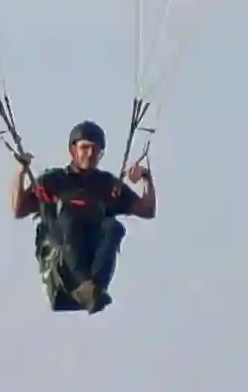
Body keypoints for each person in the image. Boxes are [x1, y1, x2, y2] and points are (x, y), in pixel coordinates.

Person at [11, 122, 157, 312]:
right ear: (73, 151)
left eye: (95, 149)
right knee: (71, 215)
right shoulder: (53, 181)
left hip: (91, 258)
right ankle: (84, 286)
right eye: (85, 148)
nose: (90, 154)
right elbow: (18, 209)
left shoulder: (106, 184)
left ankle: (94, 289)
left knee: (114, 227)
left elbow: (147, 210)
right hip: (61, 260)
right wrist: (20, 172)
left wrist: (146, 177)